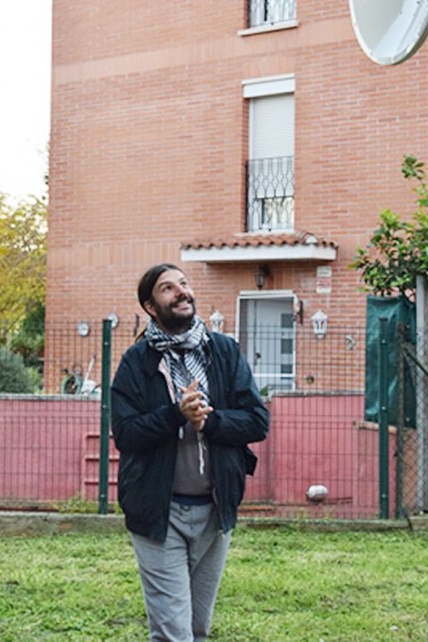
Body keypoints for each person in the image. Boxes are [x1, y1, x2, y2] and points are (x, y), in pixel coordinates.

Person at [111, 263, 269, 642]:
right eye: (168, 289)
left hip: (215, 510)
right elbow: (126, 434)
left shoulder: (224, 352)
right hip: (158, 512)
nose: (181, 292)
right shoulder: (138, 362)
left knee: (197, 628)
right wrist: (175, 415)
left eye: (183, 284)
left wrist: (208, 423)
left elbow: (257, 421)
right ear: (151, 306)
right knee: (172, 632)